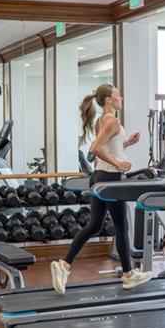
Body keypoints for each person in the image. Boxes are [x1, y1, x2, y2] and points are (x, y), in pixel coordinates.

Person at [50, 84, 152, 294]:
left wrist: (126, 143)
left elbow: (107, 147)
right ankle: (128, 275)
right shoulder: (112, 121)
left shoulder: (101, 121)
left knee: (95, 225)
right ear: (108, 100)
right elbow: (95, 149)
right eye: (118, 95)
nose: (121, 98)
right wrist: (118, 163)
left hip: (100, 176)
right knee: (121, 226)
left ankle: (64, 264)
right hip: (110, 179)